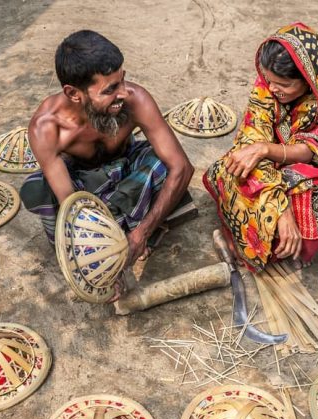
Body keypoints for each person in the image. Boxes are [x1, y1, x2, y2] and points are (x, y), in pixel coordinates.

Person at [20, 30, 195, 266]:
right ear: (73, 93)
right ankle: (132, 221)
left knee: (165, 162)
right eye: (110, 89)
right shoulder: (46, 128)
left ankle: (137, 226)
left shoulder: (136, 99)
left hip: (128, 172)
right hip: (86, 190)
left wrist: (139, 235)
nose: (124, 92)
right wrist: (105, 259)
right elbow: (75, 208)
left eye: (123, 79)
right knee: (40, 188)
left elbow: (182, 167)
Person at [203, 22, 318, 272]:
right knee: (233, 173)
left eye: (284, 84)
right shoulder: (266, 85)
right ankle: (250, 244)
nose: (273, 88)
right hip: (261, 168)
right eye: (269, 80)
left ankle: (277, 248)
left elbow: (316, 147)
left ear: (308, 79)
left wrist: (266, 149)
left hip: (297, 163)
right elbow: (250, 140)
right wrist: (281, 208)